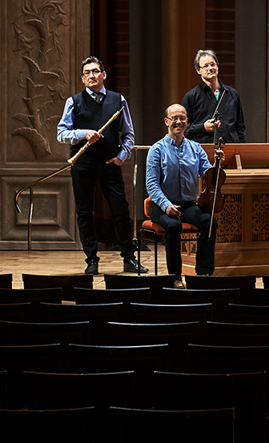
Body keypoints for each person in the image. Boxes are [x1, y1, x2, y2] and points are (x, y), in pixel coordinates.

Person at [56, 56, 147, 275]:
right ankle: (91, 259)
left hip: (109, 162)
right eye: (87, 73)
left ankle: (129, 258)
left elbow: (129, 134)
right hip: (83, 162)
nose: (91, 76)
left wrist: (121, 157)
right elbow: (61, 133)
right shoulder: (74, 101)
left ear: (104, 74)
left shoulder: (118, 100)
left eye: (95, 71)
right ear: (82, 78)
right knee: (85, 211)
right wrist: (83, 133)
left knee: (120, 210)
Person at [145, 104, 223, 287]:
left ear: (187, 121)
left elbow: (209, 176)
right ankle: (175, 277)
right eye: (174, 118)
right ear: (167, 122)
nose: (178, 122)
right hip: (161, 204)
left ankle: (203, 274)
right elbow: (152, 185)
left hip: (187, 204)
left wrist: (217, 164)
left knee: (209, 222)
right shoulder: (156, 150)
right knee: (173, 226)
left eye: (182, 118)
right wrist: (166, 206)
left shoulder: (195, 148)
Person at [181, 49, 245, 144]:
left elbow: (240, 127)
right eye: (206, 66)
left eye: (212, 64)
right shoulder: (191, 96)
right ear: (198, 70)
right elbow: (183, 128)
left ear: (217, 66)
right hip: (202, 152)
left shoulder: (232, 93)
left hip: (230, 149)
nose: (210, 68)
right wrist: (203, 128)